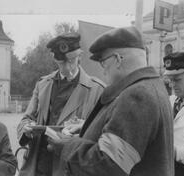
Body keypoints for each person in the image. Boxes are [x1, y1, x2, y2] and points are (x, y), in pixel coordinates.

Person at [47, 27, 174, 176]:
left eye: (103, 62)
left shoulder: (137, 95)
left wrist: (67, 145)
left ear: (118, 59)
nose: (103, 70)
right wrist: (89, 129)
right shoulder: (153, 87)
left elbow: (107, 164)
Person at [17, 33, 105, 176]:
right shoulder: (42, 85)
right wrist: (26, 128)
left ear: (79, 57)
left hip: (71, 168)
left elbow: (103, 133)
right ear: (55, 60)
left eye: (71, 61)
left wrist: (84, 127)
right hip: (38, 165)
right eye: (62, 63)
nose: (68, 67)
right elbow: (26, 119)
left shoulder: (98, 89)